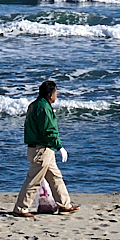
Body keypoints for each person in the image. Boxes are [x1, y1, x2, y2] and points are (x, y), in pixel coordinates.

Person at [14, 79, 75, 217]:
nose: (56, 95)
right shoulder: (43, 108)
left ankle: (65, 205)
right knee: (33, 180)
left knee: (55, 177)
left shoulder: (34, 105)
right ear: (50, 94)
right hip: (41, 150)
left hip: (41, 148)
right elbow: (49, 130)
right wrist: (59, 146)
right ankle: (21, 208)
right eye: (55, 92)